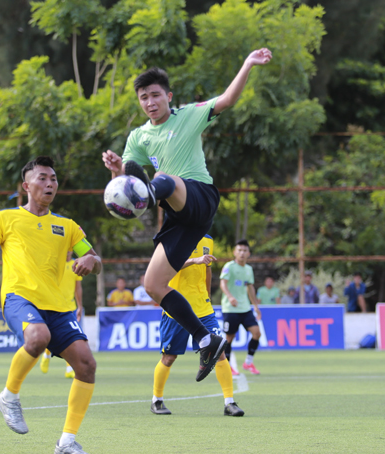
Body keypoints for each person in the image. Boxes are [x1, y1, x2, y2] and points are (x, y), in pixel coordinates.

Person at [102, 48, 272, 381]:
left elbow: (226, 100)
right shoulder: (138, 136)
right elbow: (123, 184)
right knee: (152, 284)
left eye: (155, 95)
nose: (150, 102)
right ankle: (206, 338)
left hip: (199, 196)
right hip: (178, 216)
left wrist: (247, 63)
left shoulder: (189, 115)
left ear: (168, 95)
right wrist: (115, 172)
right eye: (143, 98)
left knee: (163, 180)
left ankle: (153, 192)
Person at [0, 156, 102, 454]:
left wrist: (89, 259)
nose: (49, 183)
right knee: (37, 337)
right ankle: (9, 395)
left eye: (53, 179)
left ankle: (66, 441)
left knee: (86, 365)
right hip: (19, 298)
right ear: (25, 185)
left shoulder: (67, 226)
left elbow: (96, 262)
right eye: (42, 178)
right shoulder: (6, 218)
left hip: (58, 306)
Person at [151, 235, 244, 417]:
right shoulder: (174, 237)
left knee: (219, 353)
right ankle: (157, 400)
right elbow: (167, 267)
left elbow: (207, 270)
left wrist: (207, 295)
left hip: (203, 308)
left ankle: (229, 402)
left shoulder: (208, 239)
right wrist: (194, 260)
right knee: (169, 358)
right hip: (175, 308)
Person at [220, 239, 262, 376]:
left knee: (257, 333)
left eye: (244, 250)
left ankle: (248, 362)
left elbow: (250, 288)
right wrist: (230, 296)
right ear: (234, 252)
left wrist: (255, 306)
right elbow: (223, 284)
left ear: (248, 253)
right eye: (239, 250)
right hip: (230, 308)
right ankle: (227, 366)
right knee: (229, 337)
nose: (242, 253)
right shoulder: (229, 266)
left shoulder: (249, 269)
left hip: (245, 308)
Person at [41, 251, 84, 379]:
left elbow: (78, 288)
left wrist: (80, 306)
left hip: (69, 307)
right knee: (50, 335)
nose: (67, 252)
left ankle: (69, 368)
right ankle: (47, 354)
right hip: (53, 304)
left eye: (70, 249)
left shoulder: (76, 265)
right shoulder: (54, 263)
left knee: (71, 338)